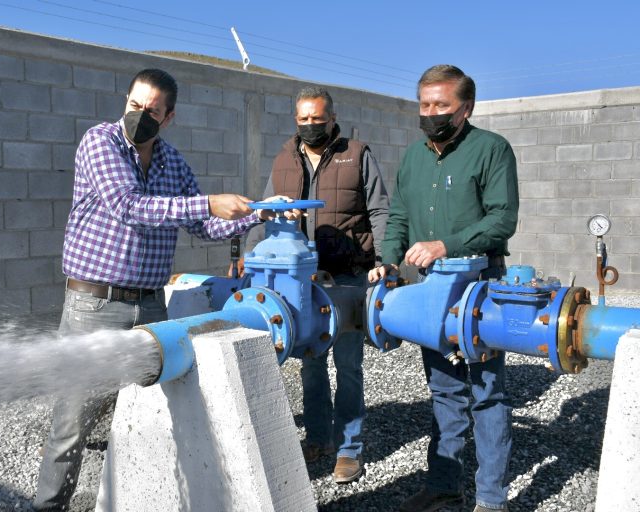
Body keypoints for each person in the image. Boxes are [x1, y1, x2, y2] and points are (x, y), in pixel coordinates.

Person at [33, 68, 285, 510]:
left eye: (151, 110)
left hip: (149, 308)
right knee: (72, 423)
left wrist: (260, 213)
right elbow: (128, 205)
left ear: (168, 117)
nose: (139, 116)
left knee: (149, 417)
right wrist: (208, 200)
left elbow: (202, 224)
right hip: (95, 305)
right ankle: (48, 506)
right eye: (134, 105)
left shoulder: (174, 163)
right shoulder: (100, 142)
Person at [368, 65, 519, 512]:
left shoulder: (492, 150)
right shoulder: (414, 157)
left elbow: (502, 219)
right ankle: (443, 485)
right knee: (444, 390)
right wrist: (388, 261)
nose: (430, 112)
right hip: (431, 292)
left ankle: (492, 499)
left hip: (480, 289)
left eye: (441, 105)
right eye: (424, 104)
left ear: (466, 108)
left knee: (487, 393)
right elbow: (397, 217)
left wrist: (444, 245)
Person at [244, 86, 389, 484]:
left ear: (332, 116)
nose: (311, 126)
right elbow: (266, 211)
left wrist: (382, 260)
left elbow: (379, 208)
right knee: (310, 363)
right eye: (304, 119)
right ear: (296, 119)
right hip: (301, 281)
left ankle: (348, 449)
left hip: (345, 276)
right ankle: (318, 438)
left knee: (348, 365)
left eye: (318, 119)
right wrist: (250, 257)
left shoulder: (356, 153)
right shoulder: (283, 159)